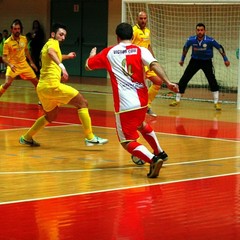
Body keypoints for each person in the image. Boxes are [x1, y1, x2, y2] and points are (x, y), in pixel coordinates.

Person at [85, 22, 179, 178]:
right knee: (141, 124)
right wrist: (168, 82)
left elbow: (88, 66)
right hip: (142, 101)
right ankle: (160, 152)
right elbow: (155, 65)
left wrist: (91, 56)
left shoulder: (109, 52)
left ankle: (153, 159)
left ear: (117, 37)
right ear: (132, 36)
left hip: (125, 105)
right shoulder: (141, 50)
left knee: (127, 141)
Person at [19, 23, 108, 147]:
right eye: (61, 34)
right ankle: (90, 137)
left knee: (50, 116)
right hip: (52, 85)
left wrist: (68, 56)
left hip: (42, 88)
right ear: (53, 34)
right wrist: (63, 68)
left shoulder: (51, 45)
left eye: (65, 35)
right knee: (82, 103)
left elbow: (55, 56)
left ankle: (27, 137)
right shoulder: (52, 43)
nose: (63, 37)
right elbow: (51, 53)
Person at [169, 23, 230, 111]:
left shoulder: (210, 40)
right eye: (198, 30)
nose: (200, 32)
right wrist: (182, 59)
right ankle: (177, 100)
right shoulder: (191, 40)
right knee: (185, 78)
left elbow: (220, 48)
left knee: (212, 80)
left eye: (201, 30)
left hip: (206, 62)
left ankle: (216, 103)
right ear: (196, 31)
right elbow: (185, 48)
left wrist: (225, 59)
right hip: (194, 61)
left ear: (204, 31)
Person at [132, 11, 163, 117]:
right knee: (141, 87)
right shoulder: (134, 31)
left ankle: (147, 105)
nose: (143, 20)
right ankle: (138, 108)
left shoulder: (147, 31)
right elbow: (128, 46)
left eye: (145, 18)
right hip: (138, 63)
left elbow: (148, 46)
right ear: (137, 19)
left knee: (158, 81)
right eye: (141, 18)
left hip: (147, 63)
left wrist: (153, 60)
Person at [0, 19, 38, 98]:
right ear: (12, 29)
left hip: (24, 64)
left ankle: (42, 100)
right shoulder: (7, 42)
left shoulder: (24, 39)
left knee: (37, 82)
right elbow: (4, 57)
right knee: (7, 83)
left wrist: (31, 62)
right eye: (15, 29)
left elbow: (26, 51)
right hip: (13, 66)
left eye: (18, 29)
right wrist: (10, 65)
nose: (17, 31)